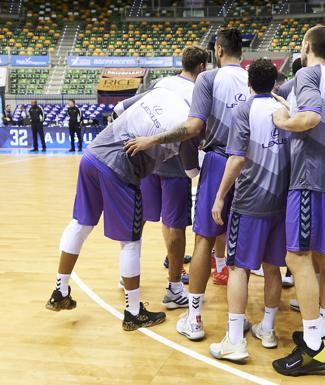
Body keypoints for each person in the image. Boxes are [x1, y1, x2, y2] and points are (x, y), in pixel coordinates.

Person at [124, 28, 249, 341]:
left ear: (218, 50)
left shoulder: (208, 80)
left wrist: (154, 139)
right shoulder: (254, 80)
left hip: (219, 161)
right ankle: (237, 323)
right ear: (241, 51)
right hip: (251, 166)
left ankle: (194, 319)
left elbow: (193, 128)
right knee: (240, 244)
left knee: (204, 239)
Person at [45, 86, 190, 331]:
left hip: (93, 154)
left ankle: (60, 289)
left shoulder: (160, 91)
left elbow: (119, 108)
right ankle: (133, 312)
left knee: (80, 223)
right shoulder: (188, 117)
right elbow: (191, 167)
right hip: (119, 169)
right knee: (131, 242)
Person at [270, 25, 325, 376]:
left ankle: (313, 348)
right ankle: (324, 336)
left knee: (296, 256)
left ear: (306, 46)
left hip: (309, 177)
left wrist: (283, 120)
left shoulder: (306, 72)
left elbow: (311, 117)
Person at [208, 58, 290, 362]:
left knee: (239, 267)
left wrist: (219, 197)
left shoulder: (244, 110)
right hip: (280, 202)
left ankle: (234, 340)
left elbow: (237, 159)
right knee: (272, 267)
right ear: (275, 82)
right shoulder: (285, 111)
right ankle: (267, 329)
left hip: (250, 201)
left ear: (249, 82)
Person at [115, 46, 209, 308]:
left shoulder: (162, 82)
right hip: (175, 166)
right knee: (176, 227)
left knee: (142, 222)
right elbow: (195, 132)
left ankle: (126, 276)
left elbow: (122, 109)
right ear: (202, 67)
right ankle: (174, 289)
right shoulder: (200, 92)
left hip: (146, 163)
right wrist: (194, 169)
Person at [276, 56, 303, 289]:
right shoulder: (291, 88)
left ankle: (290, 270)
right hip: (300, 160)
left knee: (290, 216)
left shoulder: (285, 88)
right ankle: (294, 269)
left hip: (289, 158)